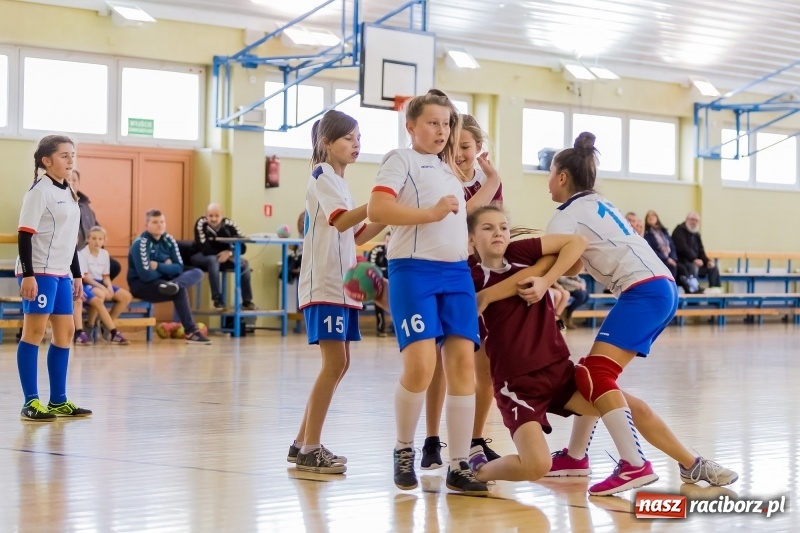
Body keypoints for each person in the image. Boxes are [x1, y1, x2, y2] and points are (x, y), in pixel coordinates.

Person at [464, 205, 738, 493]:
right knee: (537, 465)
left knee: (630, 406)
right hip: (517, 388)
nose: (499, 233)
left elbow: (577, 244)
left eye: (503, 227)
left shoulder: (521, 253)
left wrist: (543, 278)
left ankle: (692, 464)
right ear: (471, 240)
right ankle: (478, 472)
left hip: (559, 374)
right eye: (488, 228)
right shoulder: (467, 279)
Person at [530, 132, 738, 495]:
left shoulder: (564, 215)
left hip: (642, 291)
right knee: (590, 376)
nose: (547, 181)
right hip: (661, 287)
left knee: (595, 375)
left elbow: (563, 261)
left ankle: (633, 465)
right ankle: (579, 456)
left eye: (550, 173)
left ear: (562, 177)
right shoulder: (599, 203)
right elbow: (576, 263)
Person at [367, 89, 489, 496]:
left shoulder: (448, 167)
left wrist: (495, 179)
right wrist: (431, 214)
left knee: (462, 371)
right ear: (412, 126)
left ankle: (458, 464)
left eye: (446, 123)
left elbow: (467, 211)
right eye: (433, 122)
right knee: (420, 368)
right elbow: (379, 211)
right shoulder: (399, 159)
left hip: (455, 275)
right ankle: (403, 448)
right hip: (413, 272)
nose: (441, 130)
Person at [288, 110, 385, 475]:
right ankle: (311, 447)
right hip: (325, 284)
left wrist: (391, 213)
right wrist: (378, 201)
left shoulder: (341, 183)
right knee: (334, 364)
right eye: (348, 138)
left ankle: (301, 443)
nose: (356, 144)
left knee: (340, 363)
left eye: (359, 137)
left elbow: (354, 234)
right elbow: (343, 219)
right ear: (326, 142)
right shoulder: (323, 176)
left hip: (344, 286)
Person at [420, 113, 503, 472]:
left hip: (479, 276)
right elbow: (461, 218)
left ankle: (473, 439)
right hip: (445, 271)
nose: (460, 154)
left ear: (478, 148)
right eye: (454, 147)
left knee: (484, 366)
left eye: (466, 147)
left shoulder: (488, 182)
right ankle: (430, 439)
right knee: (441, 362)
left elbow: (493, 229)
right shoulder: (439, 178)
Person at [16, 135, 92, 421]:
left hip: (61, 273)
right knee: (33, 334)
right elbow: (25, 234)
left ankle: (58, 400)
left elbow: (69, 240)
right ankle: (31, 402)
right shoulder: (39, 192)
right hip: (40, 272)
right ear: (46, 161)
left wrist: (76, 275)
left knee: (66, 334)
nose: (70, 159)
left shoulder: (70, 192)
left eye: (72, 154)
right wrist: (28, 274)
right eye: (64, 155)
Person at [127, 209, 211, 345]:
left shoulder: (169, 240)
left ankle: (175, 285)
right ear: (146, 225)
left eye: (162, 222)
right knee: (180, 290)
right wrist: (167, 267)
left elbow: (179, 267)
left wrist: (158, 265)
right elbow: (146, 275)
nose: (160, 225)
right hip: (141, 286)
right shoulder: (140, 243)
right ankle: (191, 332)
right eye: (155, 222)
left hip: (165, 282)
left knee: (197, 272)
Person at [190, 203, 256, 310]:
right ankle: (217, 299)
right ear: (206, 216)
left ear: (222, 216)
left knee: (244, 264)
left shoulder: (230, 225)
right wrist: (223, 253)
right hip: (199, 255)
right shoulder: (201, 223)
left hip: (224, 256)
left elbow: (243, 247)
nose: (214, 219)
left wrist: (230, 253)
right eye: (210, 216)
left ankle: (247, 301)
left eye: (217, 216)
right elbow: (205, 249)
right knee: (213, 260)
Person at [78, 226, 133, 344]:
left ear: (104, 241)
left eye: (100, 239)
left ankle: (106, 325)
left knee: (125, 296)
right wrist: (102, 287)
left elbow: (106, 277)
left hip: (101, 282)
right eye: (93, 238)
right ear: (88, 239)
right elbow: (85, 277)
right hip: (88, 283)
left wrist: (108, 286)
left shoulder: (104, 254)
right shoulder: (82, 254)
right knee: (101, 294)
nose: (97, 241)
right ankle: (90, 325)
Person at [67, 169, 122, 281]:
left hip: (90, 252)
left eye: (74, 180)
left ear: (79, 183)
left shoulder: (87, 206)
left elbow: (98, 229)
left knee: (115, 266)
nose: (71, 182)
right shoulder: (61, 203)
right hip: (73, 254)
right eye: (68, 180)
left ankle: (97, 289)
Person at [642, 210, 692, 292]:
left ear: (657, 218)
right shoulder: (646, 234)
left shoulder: (664, 231)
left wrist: (673, 258)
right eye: (649, 216)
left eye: (653, 215)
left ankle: (690, 290)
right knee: (671, 266)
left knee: (682, 267)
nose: (651, 217)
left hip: (670, 258)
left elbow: (672, 246)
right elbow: (651, 250)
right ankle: (670, 291)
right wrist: (666, 259)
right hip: (658, 260)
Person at [672, 211, 722, 289]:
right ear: (687, 219)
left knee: (713, 267)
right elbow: (682, 248)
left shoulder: (696, 234)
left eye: (696, 220)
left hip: (696, 264)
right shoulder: (679, 231)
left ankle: (715, 292)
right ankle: (694, 295)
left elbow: (701, 251)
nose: (694, 222)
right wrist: (694, 259)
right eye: (692, 219)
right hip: (683, 264)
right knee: (692, 267)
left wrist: (708, 261)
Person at [368, 231, 392, 337]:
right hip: (379, 284)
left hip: (394, 283)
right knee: (379, 295)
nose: (388, 244)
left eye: (391, 241)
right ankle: (381, 328)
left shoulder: (398, 252)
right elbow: (371, 270)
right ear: (384, 242)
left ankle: (396, 326)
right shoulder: (377, 251)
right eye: (387, 241)